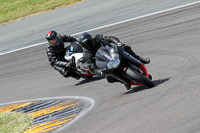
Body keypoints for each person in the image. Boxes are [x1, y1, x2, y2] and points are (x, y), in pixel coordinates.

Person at [78, 32, 150, 89]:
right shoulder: (86, 54)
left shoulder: (97, 38)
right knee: (109, 78)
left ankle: (139, 58)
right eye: (86, 45)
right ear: (83, 46)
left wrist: (117, 43)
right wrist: (100, 72)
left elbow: (110, 38)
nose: (88, 45)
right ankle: (124, 81)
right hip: (106, 62)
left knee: (126, 48)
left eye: (89, 43)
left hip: (112, 52)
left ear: (91, 39)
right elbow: (92, 66)